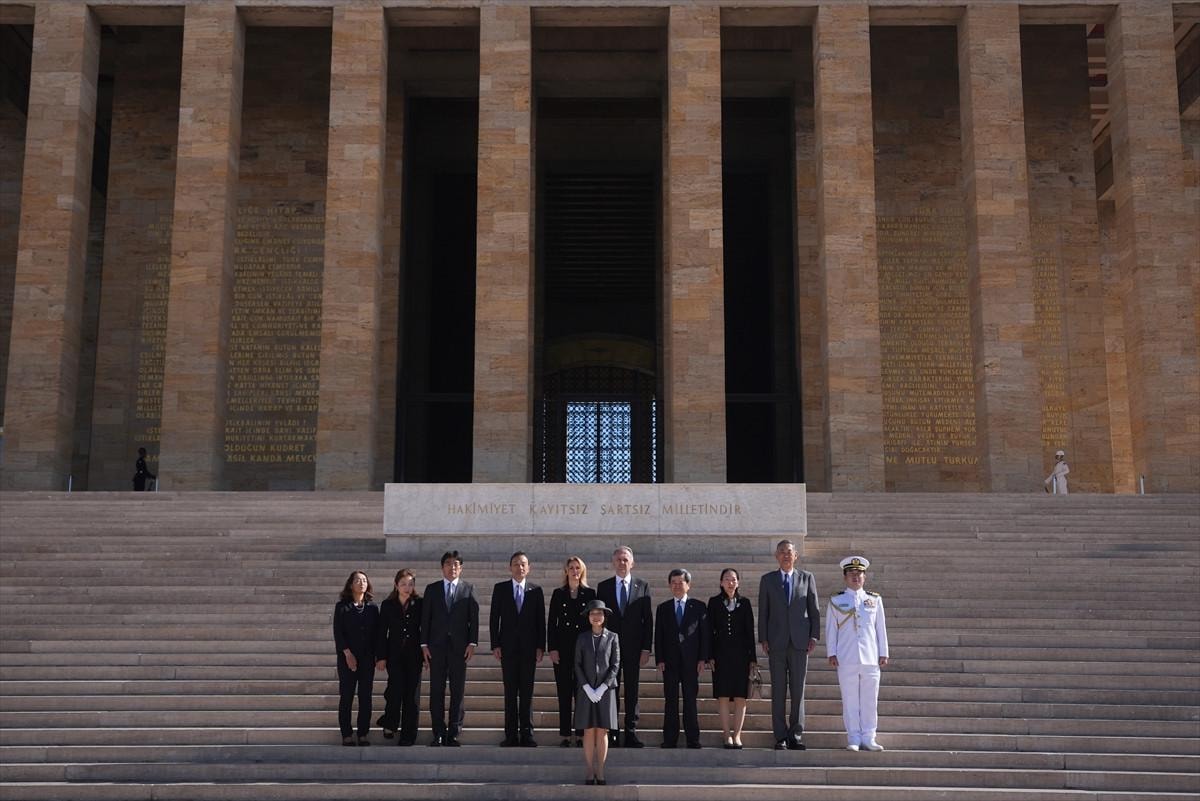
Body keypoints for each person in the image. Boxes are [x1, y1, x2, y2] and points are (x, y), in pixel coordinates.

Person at [758, 538, 821, 750]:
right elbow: (763, 611)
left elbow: (814, 610)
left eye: (789, 552)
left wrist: (814, 636)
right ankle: (780, 736)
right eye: (782, 552)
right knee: (778, 691)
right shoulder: (767, 580)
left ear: (796, 556)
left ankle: (795, 735)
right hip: (776, 642)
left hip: (800, 642)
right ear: (776, 556)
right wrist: (763, 638)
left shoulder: (807, 578)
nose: (786, 555)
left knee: (797, 690)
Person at [826, 556, 889, 752]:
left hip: (870, 657)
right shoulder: (836, 600)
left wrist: (883, 652)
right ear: (845, 577)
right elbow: (831, 629)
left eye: (859, 574)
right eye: (852, 574)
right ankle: (853, 737)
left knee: (870, 700)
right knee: (850, 699)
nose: (856, 577)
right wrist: (832, 652)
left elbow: (880, 628)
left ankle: (869, 737)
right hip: (846, 657)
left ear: (865, 577)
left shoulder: (874, 600)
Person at [596, 546, 653, 748]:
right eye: (619, 559)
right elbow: (600, 619)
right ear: (613, 562)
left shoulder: (642, 586)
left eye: (625, 560)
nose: (622, 563)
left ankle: (631, 732)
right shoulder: (603, 587)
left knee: (632, 690)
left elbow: (648, 620)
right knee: (611, 689)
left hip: (633, 649)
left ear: (632, 563)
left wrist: (646, 648)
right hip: (609, 649)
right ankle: (612, 732)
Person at [420, 550, 478, 746]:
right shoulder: (432, 589)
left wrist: (472, 643)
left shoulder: (468, 589)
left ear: (461, 568)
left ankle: (453, 732)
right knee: (436, 691)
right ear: (442, 567)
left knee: (457, 691)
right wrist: (424, 645)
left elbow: (474, 619)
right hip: (435, 648)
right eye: (448, 564)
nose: (452, 567)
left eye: (456, 564)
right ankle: (438, 732)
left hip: (459, 649)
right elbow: (425, 619)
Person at [489, 551, 546, 747]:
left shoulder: (536, 590)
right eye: (516, 564)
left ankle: (527, 734)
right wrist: (495, 644)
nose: (519, 567)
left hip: (529, 650)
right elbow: (494, 618)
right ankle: (511, 735)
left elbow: (540, 621)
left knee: (527, 693)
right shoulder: (501, 589)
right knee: (510, 692)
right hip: (508, 649)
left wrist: (540, 646)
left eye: (523, 564)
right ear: (510, 567)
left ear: (528, 568)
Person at [654, 568, 710, 749]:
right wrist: (659, 659)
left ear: (688, 585)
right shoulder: (663, 608)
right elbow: (659, 635)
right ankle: (670, 739)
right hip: (669, 661)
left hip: (691, 661)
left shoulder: (699, 606)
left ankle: (693, 738)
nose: (677, 586)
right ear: (669, 585)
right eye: (674, 583)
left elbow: (704, 634)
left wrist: (703, 659)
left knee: (690, 700)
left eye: (681, 582)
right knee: (670, 700)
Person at [547, 556, 597, 747]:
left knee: (582, 693)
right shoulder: (558, 593)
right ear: (566, 571)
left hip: (584, 650)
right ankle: (566, 734)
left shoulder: (590, 594)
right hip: (563, 648)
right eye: (571, 568)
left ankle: (581, 733)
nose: (574, 571)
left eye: (578, 568)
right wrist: (552, 648)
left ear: (582, 571)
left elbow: (595, 621)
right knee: (564, 692)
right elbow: (552, 623)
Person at [707, 567, 757, 749]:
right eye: (727, 579)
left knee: (740, 696)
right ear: (721, 583)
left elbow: (749, 631)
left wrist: (753, 659)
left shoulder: (745, 603)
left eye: (734, 579)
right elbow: (709, 630)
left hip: (741, 656)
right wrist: (709, 655)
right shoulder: (714, 602)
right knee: (722, 695)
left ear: (738, 582)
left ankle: (737, 735)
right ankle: (726, 734)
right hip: (721, 655)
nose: (730, 582)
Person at [375, 568, 423, 746]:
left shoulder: (420, 603)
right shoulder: (388, 605)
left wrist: (427, 653)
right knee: (394, 691)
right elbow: (382, 633)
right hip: (394, 656)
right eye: (403, 584)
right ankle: (390, 722)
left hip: (414, 656)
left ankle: (408, 735)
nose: (407, 587)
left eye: (410, 584)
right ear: (396, 585)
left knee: (411, 697)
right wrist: (381, 657)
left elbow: (425, 629)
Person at [575, 599, 620, 785]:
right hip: (586, 691)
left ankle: (600, 770)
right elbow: (577, 664)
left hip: (605, 691)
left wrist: (603, 687)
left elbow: (615, 665)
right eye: (592, 613)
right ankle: (589, 770)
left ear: (604, 616)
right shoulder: (582, 638)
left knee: (602, 731)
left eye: (599, 613)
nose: (596, 616)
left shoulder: (613, 637)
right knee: (588, 731)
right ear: (588, 616)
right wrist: (586, 687)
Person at [333, 570, 379, 746]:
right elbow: (338, 632)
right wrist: (347, 654)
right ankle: (346, 734)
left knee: (365, 697)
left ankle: (363, 733)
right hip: (347, 658)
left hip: (367, 659)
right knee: (347, 696)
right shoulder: (342, 607)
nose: (361, 583)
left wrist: (378, 656)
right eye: (358, 580)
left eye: (364, 580)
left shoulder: (373, 608)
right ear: (351, 584)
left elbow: (377, 634)